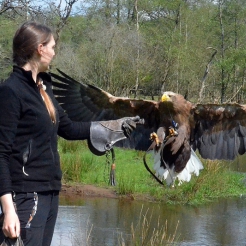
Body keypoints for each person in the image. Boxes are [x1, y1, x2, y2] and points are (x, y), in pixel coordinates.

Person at [0, 21, 141, 246]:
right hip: (27, 196)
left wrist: (113, 126)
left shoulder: (43, 87)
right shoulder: (11, 91)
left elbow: (68, 128)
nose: (54, 53)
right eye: (53, 47)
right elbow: (1, 154)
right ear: (40, 49)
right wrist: (8, 210)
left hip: (51, 191)